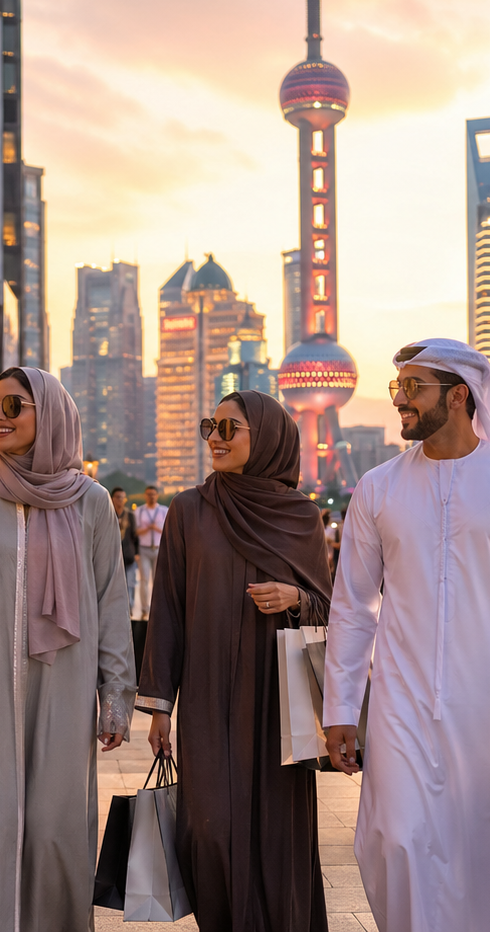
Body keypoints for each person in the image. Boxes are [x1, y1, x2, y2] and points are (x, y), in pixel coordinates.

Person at [323, 339, 490, 932]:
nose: (401, 401)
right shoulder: (378, 487)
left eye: (412, 388)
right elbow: (353, 606)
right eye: (398, 389)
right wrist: (341, 707)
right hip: (399, 705)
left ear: (459, 394)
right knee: (396, 841)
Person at [0, 367, 135, 930]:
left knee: (51, 823)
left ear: (51, 415)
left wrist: (116, 698)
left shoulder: (89, 504)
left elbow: (112, 602)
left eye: (15, 406)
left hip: (64, 690)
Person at [141, 389, 333, 930]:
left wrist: (296, 598)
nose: (215, 439)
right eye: (211, 427)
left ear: (267, 436)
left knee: (276, 835)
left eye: (230, 429)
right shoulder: (188, 510)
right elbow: (168, 612)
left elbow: (333, 608)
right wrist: (160, 706)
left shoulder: (301, 518)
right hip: (206, 696)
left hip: (277, 703)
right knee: (209, 831)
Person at [134, 485, 167, 619]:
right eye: (148, 494)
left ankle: (158, 607)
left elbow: (167, 530)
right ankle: (144, 608)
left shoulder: (163, 510)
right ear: (145, 495)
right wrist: (147, 529)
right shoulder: (139, 511)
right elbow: (135, 531)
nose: (151, 497)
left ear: (157, 495)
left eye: (153, 494)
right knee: (144, 579)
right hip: (144, 548)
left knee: (158, 580)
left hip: (159, 548)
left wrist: (156, 528)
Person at [113, 485, 140, 610]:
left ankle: (129, 608)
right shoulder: (108, 514)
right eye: (118, 497)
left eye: (123, 498)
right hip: (112, 556)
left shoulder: (129, 515)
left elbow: (135, 535)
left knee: (130, 583)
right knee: (114, 585)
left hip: (128, 554)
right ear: (112, 498)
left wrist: (137, 553)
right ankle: (117, 609)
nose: (121, 500)